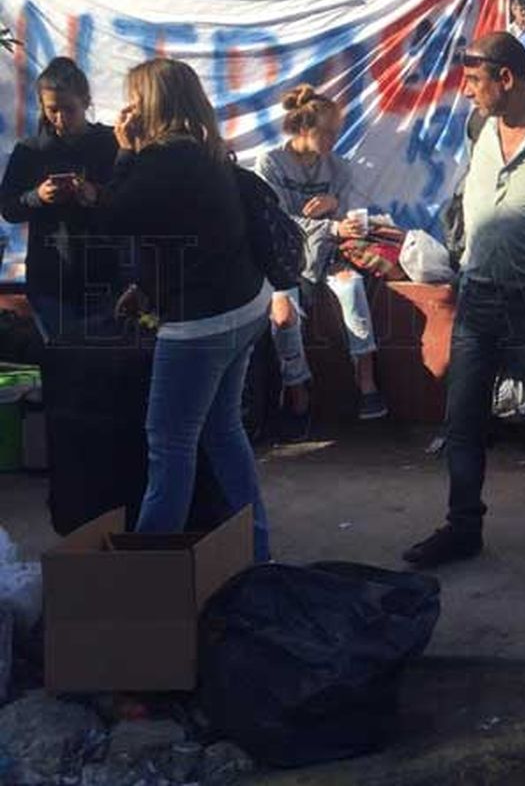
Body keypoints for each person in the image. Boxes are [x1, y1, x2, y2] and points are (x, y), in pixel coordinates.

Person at [403, 32, 525, 572]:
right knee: (463, 419)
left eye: (473, 82)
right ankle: (462, 526)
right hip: (478, 296)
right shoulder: (479, 127)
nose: (467, 93)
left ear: (505, 79)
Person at [102, 58, 272, 561]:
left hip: (202, 324)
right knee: (223, 432)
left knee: (170, 445)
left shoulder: (160, 160)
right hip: (243, 305)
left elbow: (114, 216)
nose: (127, 110)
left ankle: (150, 576)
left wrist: (123, 151)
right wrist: (149, 289)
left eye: (134, 99)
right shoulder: (206, 151)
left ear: (151, 105)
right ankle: (258, 551)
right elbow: (186, 240)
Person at [255, 86, 387, 438]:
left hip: (327, 255)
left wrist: (334, 209)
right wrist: (328, 220)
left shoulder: (339, 167)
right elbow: (277, 223)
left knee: (352, 287)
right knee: (285, 316)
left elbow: (348, 221)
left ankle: (366, 381)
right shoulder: (271, 164)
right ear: (302, 128)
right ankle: (298, 393)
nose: (332, 139)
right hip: (286, 263)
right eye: (325, 131)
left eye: (336, 132)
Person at [0, 57, 120, 342]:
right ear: (42, 106)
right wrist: (37, 197)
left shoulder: (109, 143)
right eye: (53, 110)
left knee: (100, 366)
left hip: (102, 274)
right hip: (50, 279)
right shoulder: (30, 151)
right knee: (62, 365)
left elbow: (130, 201)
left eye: (69, 109)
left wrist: (96, 195)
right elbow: (8, 208)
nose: (61, 119)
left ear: (86, 102)